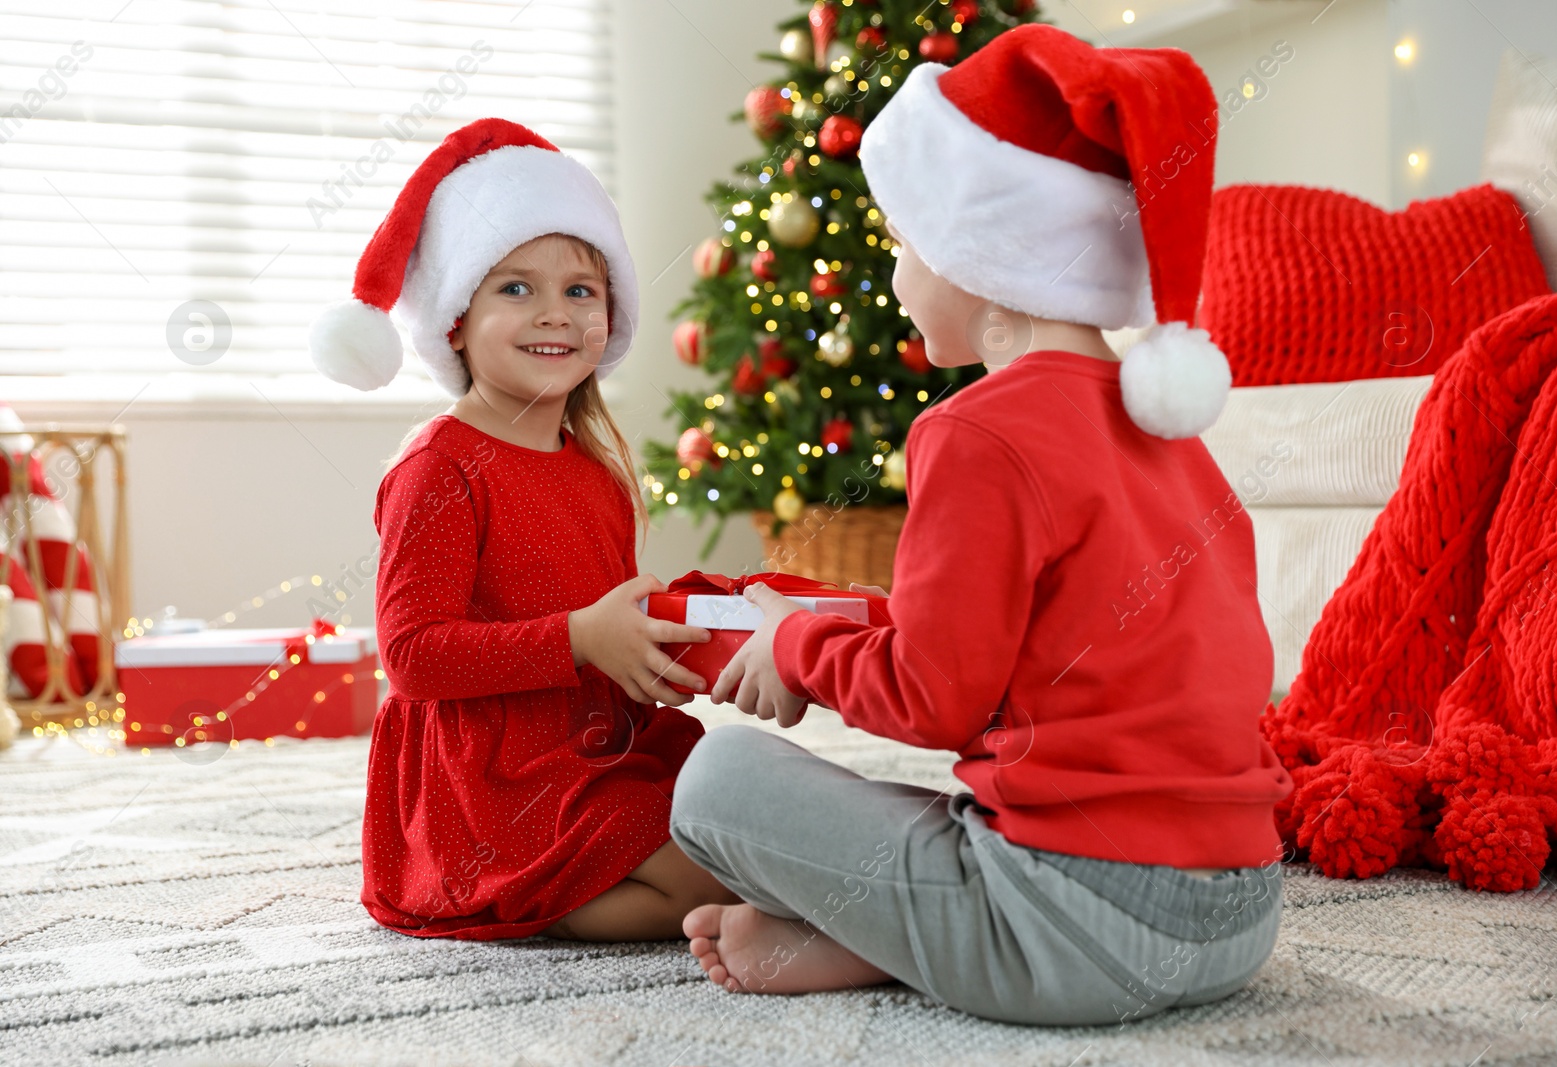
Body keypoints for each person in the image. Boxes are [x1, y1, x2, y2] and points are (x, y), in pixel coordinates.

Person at [667, 26, 1296, 1026]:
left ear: (979, 255)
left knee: (716, 777)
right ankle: (894, 934)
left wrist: (795, 644)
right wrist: (835, 624)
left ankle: (924, 940)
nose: (898, 278)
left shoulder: (974, 429)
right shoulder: (1176, 439)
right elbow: (1036, 647)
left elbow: (933, 700)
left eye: (906, 245)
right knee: (961, 813)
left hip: (1081, 926)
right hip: (1240, 919)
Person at [310, 118, 741, 942]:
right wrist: (579, 636)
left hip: (592, 742)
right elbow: (413, 655)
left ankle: (589, 873)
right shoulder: (440, 466)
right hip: (490, 774)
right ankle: (508, 888)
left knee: (746, 824)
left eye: (581, 289)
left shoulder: (596, 472)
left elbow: (605, 627)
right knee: (705, 882)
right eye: (515, 288)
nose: (556, 313)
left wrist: (669, 642)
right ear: (454, 321)